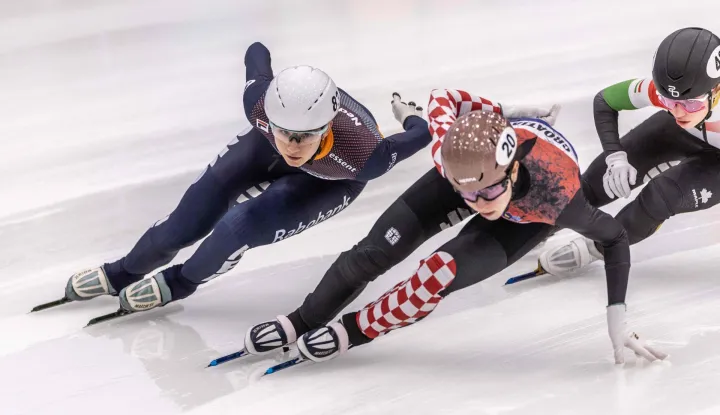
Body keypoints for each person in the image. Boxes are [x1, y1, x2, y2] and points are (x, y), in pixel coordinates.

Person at [244, 88, 666, 365]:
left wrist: (617, 317)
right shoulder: (453, 154)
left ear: (513, 170)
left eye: (485, 195)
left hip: (523, 220)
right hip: (475, 160)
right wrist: (500, 110)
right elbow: (441, 101)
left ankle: (353, 330)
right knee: (373, 251)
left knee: (436, 274)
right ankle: (303, 318)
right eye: (465, 195)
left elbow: (615, 237)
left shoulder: (558, 197)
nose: (476, 205)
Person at [60, 42, 432, 313]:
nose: (293, 145)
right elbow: (256, 52)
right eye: (284, 131)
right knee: (183, 223)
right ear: (269, 115)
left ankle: (181, 282)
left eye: (305, 135)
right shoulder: (257, 102)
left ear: (327, 125)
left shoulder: (365, 157)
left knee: (237, 227)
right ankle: (123, 270)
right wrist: (269, 64)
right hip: (261, 147)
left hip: (332, 178)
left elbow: (420, 134)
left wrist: (408, 115)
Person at [538, 27, 720, 276]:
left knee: (662, 195)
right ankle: (541, 221)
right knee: (597, 181)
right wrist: (615, 156)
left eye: (689, 104)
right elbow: (605, 101)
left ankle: (596, 249)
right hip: (680, 133)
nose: (678, 111)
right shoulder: (673, 95)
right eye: (668, 101)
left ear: (716, 90)